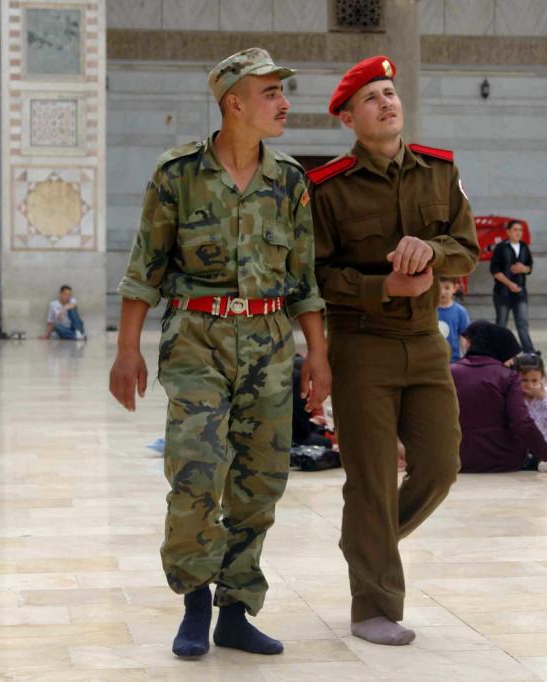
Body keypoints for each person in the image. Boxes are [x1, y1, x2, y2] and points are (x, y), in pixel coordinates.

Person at [109, 48, 329, 659]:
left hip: (270, 341)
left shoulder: (289, 180)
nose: (284, 103)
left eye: (283, 91)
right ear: (235, 103)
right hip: (196, 341)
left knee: (262, 480)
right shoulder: (177, 174)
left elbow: (304, 279)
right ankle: (194, 602)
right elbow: (143, 270)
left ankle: (236, 609)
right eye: (271, 93)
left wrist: (318, 354)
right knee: (197, 470)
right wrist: (127, 350)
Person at [309, 55, 479, 647]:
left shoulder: (439, 170)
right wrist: (381, 286)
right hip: (361, 346)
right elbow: (313, 276)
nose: (387, 103)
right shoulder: (325, 188)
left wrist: (432, 254)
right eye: (372, 98)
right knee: (372, 480)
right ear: (349, 118)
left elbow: (466, 248)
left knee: (441, 466)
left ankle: (365, 543)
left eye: (390, 93)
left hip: (426, 343)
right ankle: (373, 604)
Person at [451, 323, 547, 473]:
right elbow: (521, 423)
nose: (512, 362)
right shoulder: (507, 376)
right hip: (502, 460)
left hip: (455, 459)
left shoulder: (449, 372)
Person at [512, 352, 547, 472]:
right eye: (524, 380)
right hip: (523, 448)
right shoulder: (514, 397)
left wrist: (543, 398)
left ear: (542, 378)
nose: (529, 385)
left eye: (534, 380)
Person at [490, 220, 535, 352]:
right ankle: (498, 353)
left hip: (520, 294)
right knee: (501, 325)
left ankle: (529, 352)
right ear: (508, 232)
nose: (518, 232)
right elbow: (494, 271)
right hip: (502, 293)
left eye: (520, 230)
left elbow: (530, 268)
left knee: (523, 324)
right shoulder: (500, 248)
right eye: (515, 229)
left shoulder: (525, 247)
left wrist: (523, 269)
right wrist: (509, 284)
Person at [437, 276, 470, 361]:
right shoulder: (429, 311)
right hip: (433, 359)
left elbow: (464, 336)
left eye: (447, 288)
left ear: (455, 288)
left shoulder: (460, 311)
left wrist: (467, 357)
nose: (442, 292)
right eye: (438, 288)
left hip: (453, 359)